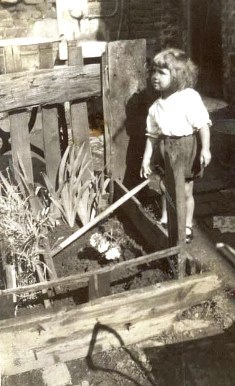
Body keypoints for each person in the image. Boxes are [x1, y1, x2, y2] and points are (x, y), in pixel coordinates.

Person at [140, 48, 211, 243]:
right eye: (153, 71)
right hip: (165, 148)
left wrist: (205, 148)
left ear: (178, 76)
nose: (155, 76)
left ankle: (187, 225)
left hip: (186, 148)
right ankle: (166, 218)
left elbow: (202, 124)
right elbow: (152, 136)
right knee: (165, 186)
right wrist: (146, 158)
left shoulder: (188, 97)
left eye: (161, 73)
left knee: (186, 189)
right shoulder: (155, 107)